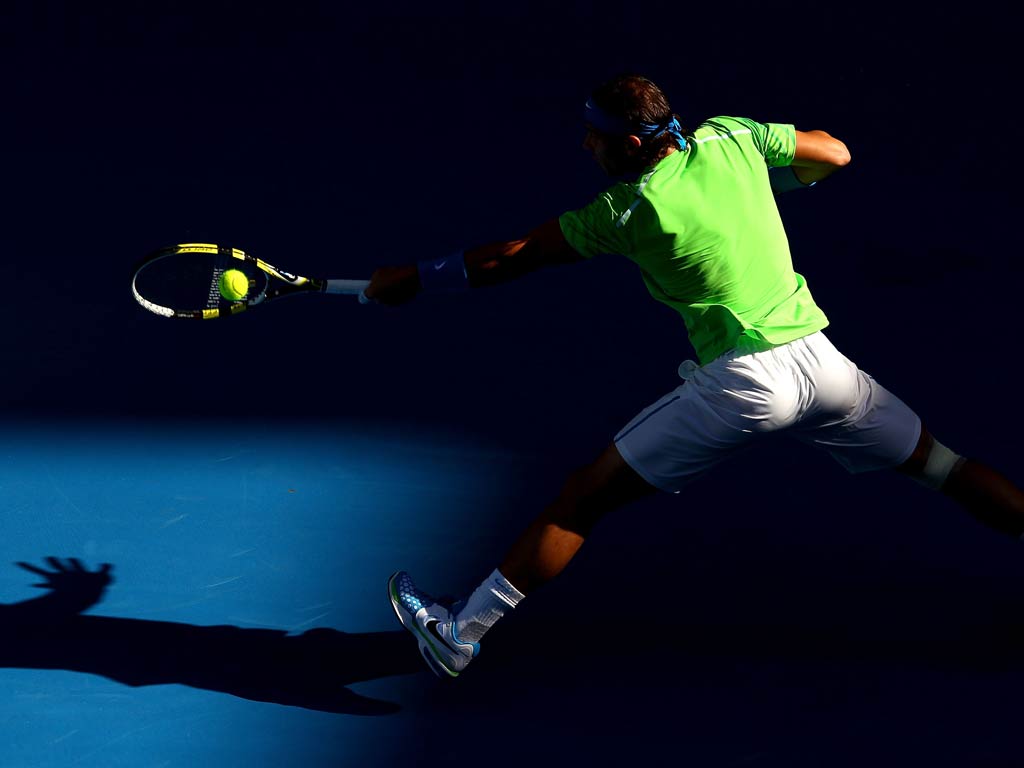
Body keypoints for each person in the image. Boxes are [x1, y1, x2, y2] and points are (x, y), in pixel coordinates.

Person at [367, 73, 1024, 679]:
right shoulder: (731, 136)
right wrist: (772, 183)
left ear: (628, 142)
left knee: (582, 500)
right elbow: (835, 153)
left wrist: (415, 278)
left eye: (594, 134)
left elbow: (514, 257)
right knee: (945, 467)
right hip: (825, 369)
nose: (585, 143)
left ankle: (460, 630)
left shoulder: (626, 210)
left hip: (743, 386)